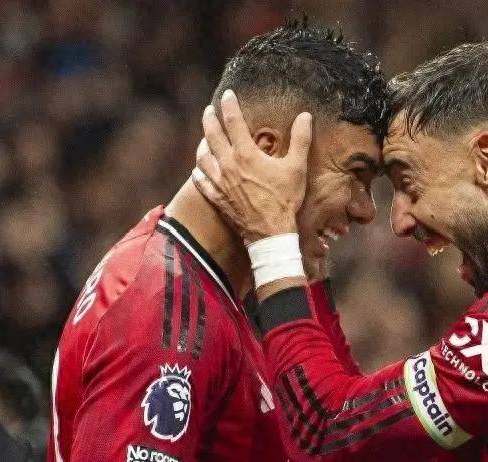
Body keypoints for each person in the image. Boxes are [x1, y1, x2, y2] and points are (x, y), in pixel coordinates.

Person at [194, 42, 488, 461]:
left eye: (407, 181)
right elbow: (366, 436)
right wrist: (309, 267)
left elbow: (324, 436)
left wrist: (273, 242)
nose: (399, 221)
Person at [48, 21, 388, 462]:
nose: (366, 210)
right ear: (266, 151)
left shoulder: (190, 284)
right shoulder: (165, 309)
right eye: (355, 174)